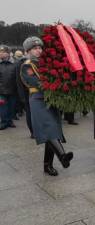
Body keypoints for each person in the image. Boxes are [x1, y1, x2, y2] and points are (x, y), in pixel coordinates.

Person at [20, 37, 73, 176]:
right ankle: (62, 156)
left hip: (51, 99)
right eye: (35, 48)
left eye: (39, 48)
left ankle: (47, 165)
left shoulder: (46, 64)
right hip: (38, 99)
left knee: (53, 131)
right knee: (49, 128)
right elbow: (36, 82)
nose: (38, 50)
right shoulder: (27, 65)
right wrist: (56, 85)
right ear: (28, 51)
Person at [0, 45, 17, 130]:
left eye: (3, 52)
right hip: (1, 91)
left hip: (12, 91)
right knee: (3, 107)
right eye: (0, 52)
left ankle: (10, 121)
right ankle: (4, 122)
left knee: (11, 107)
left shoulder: (14, 64)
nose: (1, 53)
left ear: (8, 53)